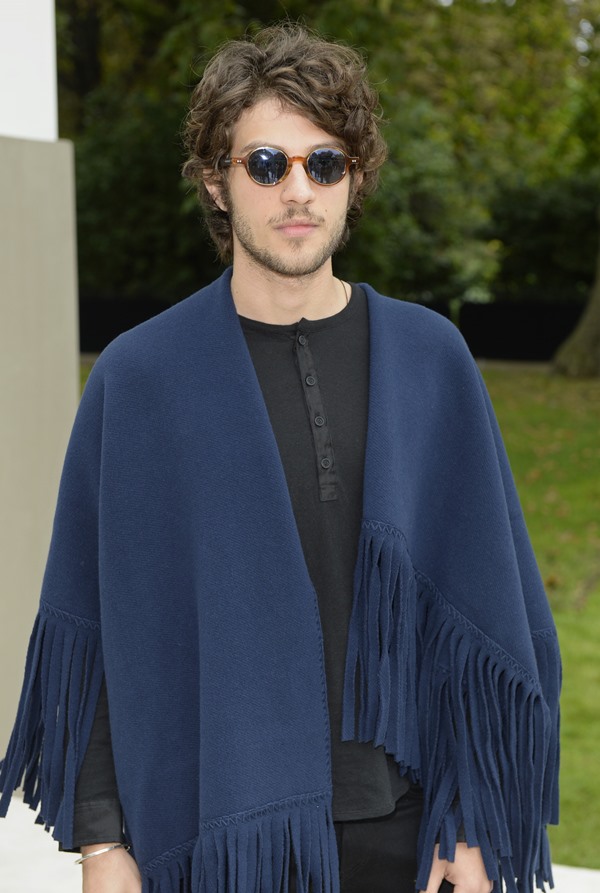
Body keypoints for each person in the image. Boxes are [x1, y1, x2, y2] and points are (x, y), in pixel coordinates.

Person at [0, 23, 560, 893]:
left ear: (355, 179)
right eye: (266, 163)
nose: (297, 190)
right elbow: (97, 627)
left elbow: (487, 611)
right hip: (218, 835)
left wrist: (472, 821)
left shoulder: (429, 358)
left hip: (407, 838)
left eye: (324, 164)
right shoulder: (141, 377)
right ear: (217, 184)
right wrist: (103, 843)